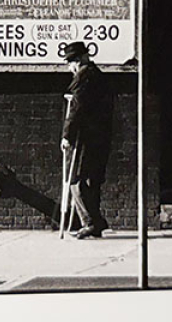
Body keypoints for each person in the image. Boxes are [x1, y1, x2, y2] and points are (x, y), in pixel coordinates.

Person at [60, 41, 115, 238]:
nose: (71, 66)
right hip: (101, 135)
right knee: (93, 180)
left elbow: (76, 109)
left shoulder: (83, 77)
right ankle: (97, 222)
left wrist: (67, 136)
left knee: (75, 180)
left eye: (73, 61)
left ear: (83, 58)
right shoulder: (99, 76)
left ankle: (90, 221)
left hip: (88, 137)